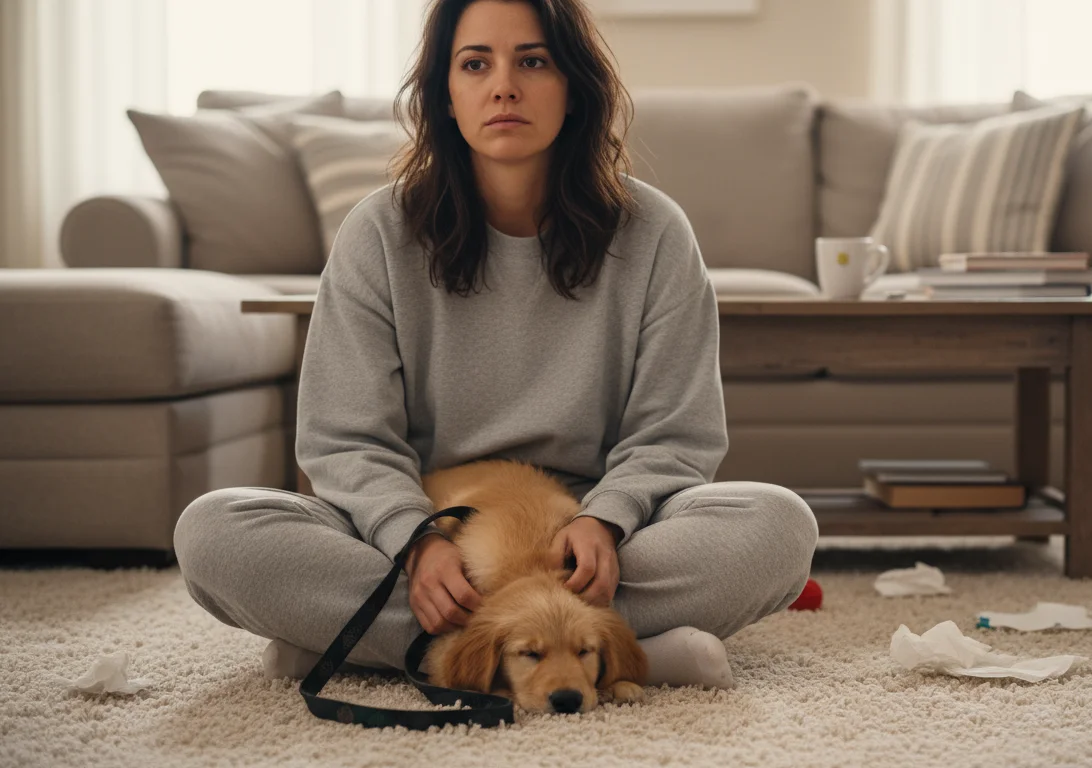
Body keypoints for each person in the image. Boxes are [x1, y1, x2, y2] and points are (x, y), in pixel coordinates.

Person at [173, 0, 817, 690]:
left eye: (533, 61)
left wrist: (608, 516)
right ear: (446, 95)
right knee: (214, 532)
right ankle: (616, 652)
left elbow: (676, 432)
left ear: (574, 87)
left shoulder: (655, 232)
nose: (503, 86)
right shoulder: (377, 233)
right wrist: (414, 540)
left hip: (592, 539)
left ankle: (389, 644)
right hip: (423, 530)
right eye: (475, 63)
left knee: (778, 525)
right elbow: (343, 438)